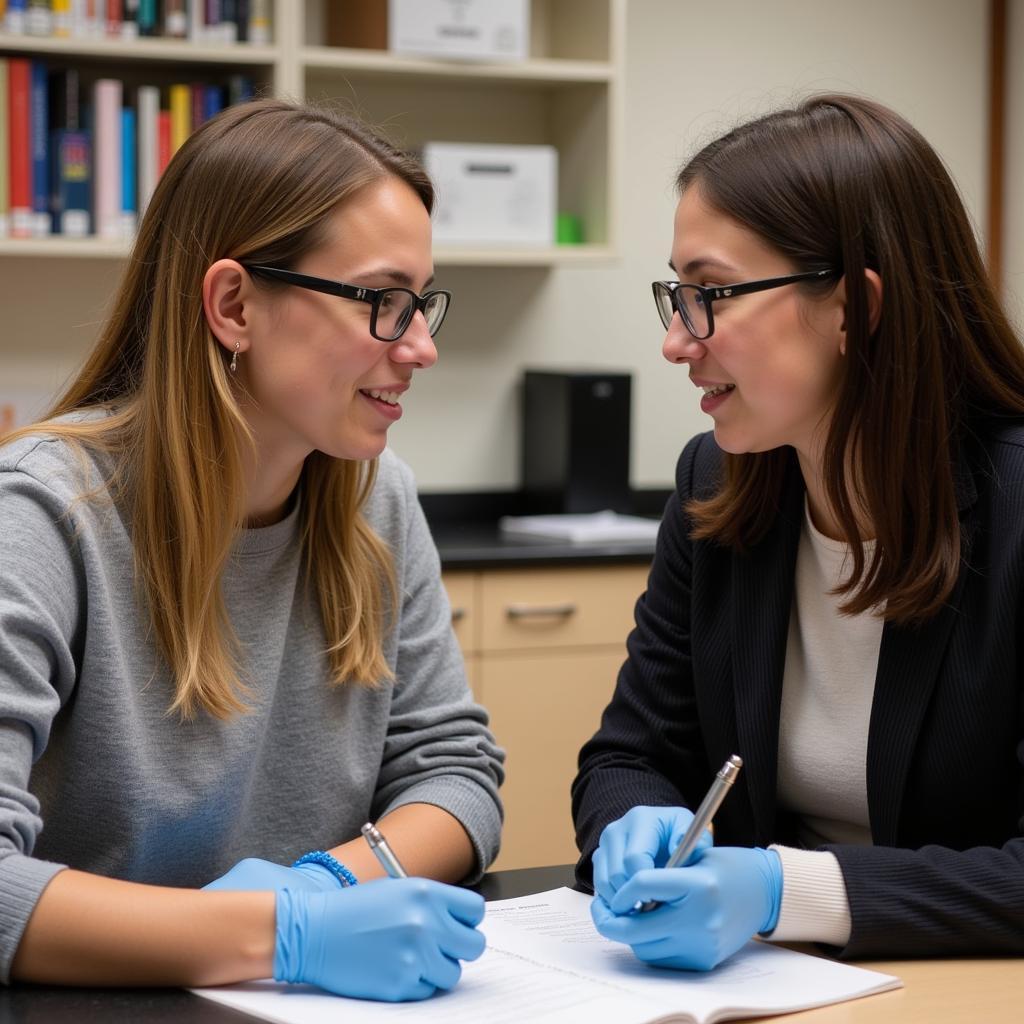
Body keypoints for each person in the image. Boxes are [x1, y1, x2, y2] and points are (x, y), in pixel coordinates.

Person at [0, 99, 504, 1001]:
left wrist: (331, 884)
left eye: (422, 302)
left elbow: (456, 774)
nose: (421, 346)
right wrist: (284, 934)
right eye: (385, 302)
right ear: (234, 305)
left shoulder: (375, 499)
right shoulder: (42, 511)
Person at [571, 93, 1024, 970]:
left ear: (854, 305)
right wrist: (632, 822)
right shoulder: (717, 485)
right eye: (677, 294)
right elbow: (628, 754)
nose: (676, 340)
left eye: (710, 295)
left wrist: (785, 891)